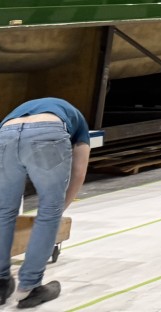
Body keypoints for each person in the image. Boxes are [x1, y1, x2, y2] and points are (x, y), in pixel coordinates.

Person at [0, 97, 92, 308]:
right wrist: (58, 210)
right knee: (49, 211)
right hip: (48, 131)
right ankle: (29, 287)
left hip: (5, 132)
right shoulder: (78, 121)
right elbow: (79, 173)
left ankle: (1, 282)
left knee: (3, 212)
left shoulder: (23, 109)